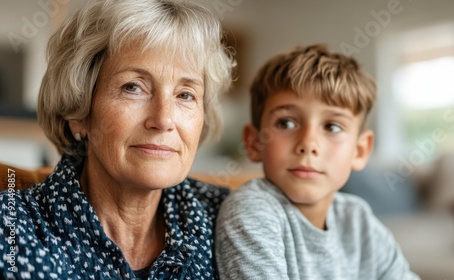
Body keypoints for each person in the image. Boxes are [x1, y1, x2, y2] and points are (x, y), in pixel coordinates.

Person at [0, 0, 234, 279]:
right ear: (80, 112)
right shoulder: (12, 227)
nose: (163, 120)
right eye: (133, 87)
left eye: (185, 95)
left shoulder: (228, 218)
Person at [215, 44, 420, 280]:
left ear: (360, 150)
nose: (309, 143)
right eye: (286, 123)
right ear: (253, 142)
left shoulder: (358, 220)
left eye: (332, 127)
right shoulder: (251, 210)